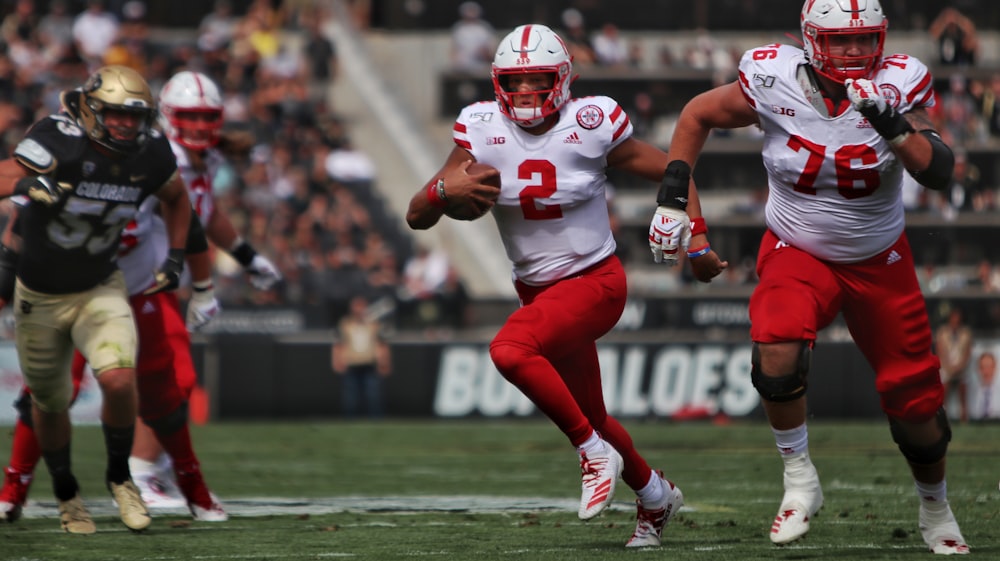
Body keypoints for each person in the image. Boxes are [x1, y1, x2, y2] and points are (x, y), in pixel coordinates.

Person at [655, 0, 968, 554]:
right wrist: (674, 200)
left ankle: (935, 506)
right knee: (774, 341)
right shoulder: (772, 78)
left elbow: (938, 170)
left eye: (864, 39)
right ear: (810, 39)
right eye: (841, 41)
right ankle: (799, 479)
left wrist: (889, 124)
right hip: (797, 247)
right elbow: (696, 115)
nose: (854, 51)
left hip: (879, 259)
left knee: (916, 402)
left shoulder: (899, 82)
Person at [405, 24, 722, 548]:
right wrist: (443, 189)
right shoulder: (479, 129)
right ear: (497, 81)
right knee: (593, 415)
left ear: (563, 79)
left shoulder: (591, 121)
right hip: (537, 292)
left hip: (595, 281)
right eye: (516, 79)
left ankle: (593, 454)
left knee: (509, 350)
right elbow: (417, 216)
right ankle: (655, 495)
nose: (527, 89)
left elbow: (675, 172)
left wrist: (697, 240)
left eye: (538, 77)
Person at [0, 65, 192, 534]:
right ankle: (66, 490)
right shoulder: (59, 138)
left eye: (135, 116)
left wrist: (177, 257)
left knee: (122, 381)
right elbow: (7, 172)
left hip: (99, 284)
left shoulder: (150, 152)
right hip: (41, 293)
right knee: (49, 404)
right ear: (91, 109)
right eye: (114, 114)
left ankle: (120, 476)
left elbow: (177, 198)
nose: (126, 124)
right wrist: (27, 184)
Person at [123, 69, 280, 507]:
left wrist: (247, 256)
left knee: (167, 381)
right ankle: (143, 471)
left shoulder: (206, 159)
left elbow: (205, 215)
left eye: (206, 116)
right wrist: (205, 287)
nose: (198, 125)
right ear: (168, 116)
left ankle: (153, 468)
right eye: (189, 116)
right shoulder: (156, 156)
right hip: (136, 283)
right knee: (168, 379)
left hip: (162, 287)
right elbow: (179, 220)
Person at [331, 295, 391, 418]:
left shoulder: (374, 324)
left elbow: (381, 345)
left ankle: (376, 422)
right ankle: (349, 422)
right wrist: (337, 360)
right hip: (352, 364)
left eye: (361, 306)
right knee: (350, 397)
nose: (359, 310)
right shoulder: (345, 324)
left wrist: (384, 362)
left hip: (369, 364)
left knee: (373, 396)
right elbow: (338, 344)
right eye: (356, 306)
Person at [934, 308, 972, 423]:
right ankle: (943, 418)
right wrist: (948, 366)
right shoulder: (942, 332)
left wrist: (960, 366)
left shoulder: (966, 332)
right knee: (944, 391)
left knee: (963, 391)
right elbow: (940, 351)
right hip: (947, 367)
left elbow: (967, 352)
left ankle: (964, 418)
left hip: (961, 368)